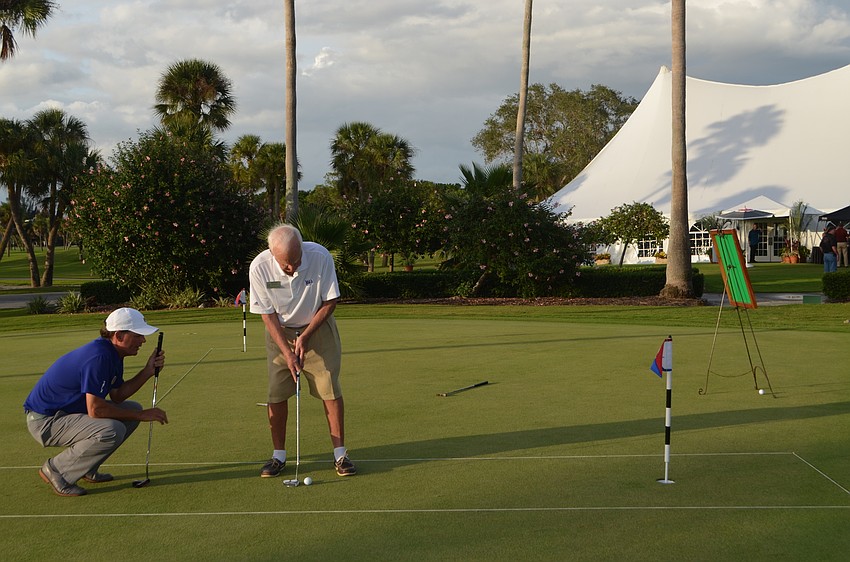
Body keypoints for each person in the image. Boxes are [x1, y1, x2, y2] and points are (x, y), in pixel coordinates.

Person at [249, 223, 356, 478]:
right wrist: (287, 353)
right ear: (272, 253)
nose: (292, 268)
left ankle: (340, 455)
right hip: (280, 331)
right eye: (286, 264)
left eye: (296, 261)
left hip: (318, 327)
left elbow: (330, 302)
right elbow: (267, 314)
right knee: (276, 392)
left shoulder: (320, 257)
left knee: (329, 386)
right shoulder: (259, 267)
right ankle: (278, 456)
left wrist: (306, 336)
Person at [23, 308, 167, 496]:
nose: (143, 340)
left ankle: (86, 468)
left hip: (65, 415)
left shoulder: (112, 353)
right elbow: (96, 410)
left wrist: (148, 371)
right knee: (112, 429)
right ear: (119, 336)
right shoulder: (99, 357)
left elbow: (117, 395)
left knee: (131, 411)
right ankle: (58, 470)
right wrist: (141, 415)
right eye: (138, 335)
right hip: (45, 421)